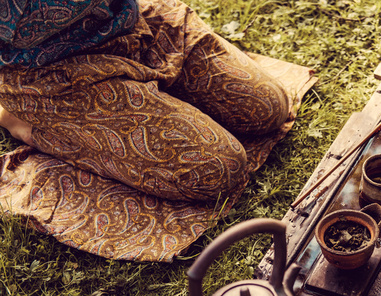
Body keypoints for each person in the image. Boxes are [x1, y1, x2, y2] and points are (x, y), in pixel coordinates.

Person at [0, 0, 290, 204]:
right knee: (218, 169)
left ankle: (155, 94)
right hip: (49, 75)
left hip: (128, 21)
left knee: (268, 108)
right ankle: (15, 117)